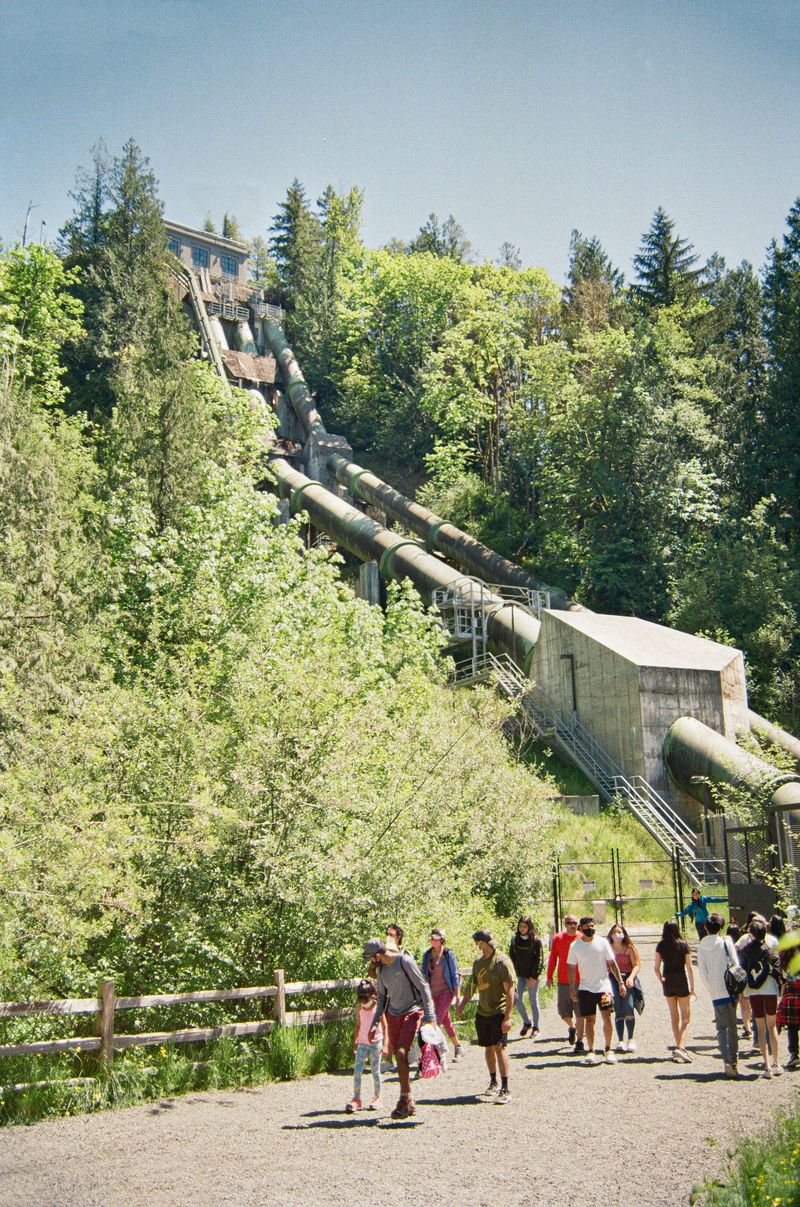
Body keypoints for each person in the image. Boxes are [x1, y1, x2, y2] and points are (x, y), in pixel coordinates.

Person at [363, 937, 436, 1119]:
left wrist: (431, 1016)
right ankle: (407, 1101)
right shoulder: (381, 971)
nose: (371, 962)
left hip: (412, 1010)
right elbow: (381, 998)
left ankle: (404, 1100)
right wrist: (374, 1024)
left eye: (371, 957)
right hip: (393, 1014)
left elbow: (423, 986)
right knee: (398, 1056)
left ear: (378, 954)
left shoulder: (404, 962)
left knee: (402, 1052)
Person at [457, 930, 515, 1104]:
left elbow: (510, 992)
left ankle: (505, 1088)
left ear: (485, 943)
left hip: (499, 1012)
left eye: (480, 943)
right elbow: (471, 986)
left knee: (500, 1048)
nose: (479, 946)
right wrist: (462, 1003)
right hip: (483, 1013)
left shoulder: (502, 962)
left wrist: (507, 1017)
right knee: (488, 1048)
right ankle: (493, 1081)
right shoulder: (478, 963)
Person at [567, 915, 625, 1066]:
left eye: (592, 926)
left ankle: (608, 1049)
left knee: (607, 1017)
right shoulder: (575, 946)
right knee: (590, 1019)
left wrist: (620, 982)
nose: (590, 929)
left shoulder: (603, 942)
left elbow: (612, 963)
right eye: (587, 927)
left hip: (604, 987)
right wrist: (573, 989)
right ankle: (591, 1050)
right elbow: (572, 969)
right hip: (585, 988)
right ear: (581, 928)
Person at [697, 913, 740, 1078]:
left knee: (721, 1028)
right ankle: (734, 1061)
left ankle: (726, 1061)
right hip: (730, 989)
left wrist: (711, 988)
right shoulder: (725, 942)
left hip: (715, 991)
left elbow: (702, 972)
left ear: (706, 928)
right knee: (732, 1028)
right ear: (721, 927)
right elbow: (736, 964)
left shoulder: (702, 946)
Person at [739, 917, 783, 1078]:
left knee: (761, 1028)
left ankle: (766, 1066)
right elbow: (779, 968)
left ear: (751, 933)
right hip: (770, 989)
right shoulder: (771, 946)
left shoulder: (747, 950)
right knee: (772, 1027)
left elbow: (741, 969)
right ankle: (776, 1063)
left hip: (754, 991)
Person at [654, 919, 695, 1062]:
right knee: (686, 1018)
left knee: (674, 1016)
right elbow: (689, 967)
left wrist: (661, 980)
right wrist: (693, 987)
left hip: (667, 979)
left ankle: (679, 1046)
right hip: (681, 979)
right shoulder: (683, 945)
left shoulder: (661, 945)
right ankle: (681, 1047)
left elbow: (656, 968)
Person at [421, 927, 463, 1061]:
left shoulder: (448, 954)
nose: (434, 941)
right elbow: (423, 975)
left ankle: (434, 1054)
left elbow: (454, 974)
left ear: (442, 940)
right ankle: (458, 1046)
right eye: (432, 938)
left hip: (446, 992)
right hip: (431, 994)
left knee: (435, 1021)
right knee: (446, 1021)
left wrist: (457, 995)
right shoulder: (427, 955)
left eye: (437, 939)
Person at [546, 914, 586, 1052]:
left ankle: (580, 1041)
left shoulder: (582, 938)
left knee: (580, 1012)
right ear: (565, 924)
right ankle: (572, 1027)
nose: (572, 925)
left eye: (575, 923)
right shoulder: (557, 938)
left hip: (580, 981)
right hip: (563, 981)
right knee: (563, 1012)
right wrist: (549, 976)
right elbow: (553, 958)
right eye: (569, 923)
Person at [346, 979, 387, 1112]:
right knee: (357, 1071)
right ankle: (356, 1098)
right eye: (361, 997)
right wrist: (355, 1041)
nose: (363, 1000)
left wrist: (386, 1045)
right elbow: (358, 1025)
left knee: (375, 1071)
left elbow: (385, 1027)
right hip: (362, 1043)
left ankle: (378, 1097)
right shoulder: (359, 1008)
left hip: (376, 1043)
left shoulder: (377, 1008)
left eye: (365, 997)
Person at [607, 923, 641, 1053]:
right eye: (615, 932)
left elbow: (636, 964)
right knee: (618, 1008)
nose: (617, 935)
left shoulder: (629, 948)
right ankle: (620, 1040)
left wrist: (631, 977)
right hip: (612, 980)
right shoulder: (608, 948)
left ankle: (631, 1038)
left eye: (620, 932)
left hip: (627, 979)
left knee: (628, 1007)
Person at [509, 916, 543, 1038]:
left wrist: (534, 976)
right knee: (516, 998)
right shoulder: (514, 940)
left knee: (533, 1000)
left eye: (525, 926)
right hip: (519, 975)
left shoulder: (536, 940)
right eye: (520, 926)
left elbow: (539, 960)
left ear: (529, 927)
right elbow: (511, 958)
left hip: (532, 976)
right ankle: (527, 1022)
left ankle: (536, 1027)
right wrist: (511, 974)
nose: (522, 929)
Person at [776, 928, 800, 1071]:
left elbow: (783, 978)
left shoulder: (785, 958)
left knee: (792, 1026)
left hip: (791, 993)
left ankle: (794, 1053)